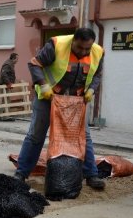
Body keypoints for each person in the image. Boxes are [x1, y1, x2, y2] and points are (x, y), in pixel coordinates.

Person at [13, 27, 106, 190]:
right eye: (80, 47)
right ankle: (21, 173)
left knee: (83, 137)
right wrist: (43, 85)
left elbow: (98, 74)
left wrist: (92, 89)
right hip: (49, 98)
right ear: (73, 41)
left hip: (75, 102)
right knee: (36, 135)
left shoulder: (98, 52)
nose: (83, 51)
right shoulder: (57, 45)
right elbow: (34, 64)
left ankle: (92, 175)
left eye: (87, 48)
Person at [0, 52, 19, 121]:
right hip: (4, 85)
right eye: (17, 59)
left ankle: (2, 115)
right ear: (13, 58)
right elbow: (4, 74)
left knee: (6, 100)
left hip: (5, 84)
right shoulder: (8, 64)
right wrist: (8, 83)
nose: (18, 60)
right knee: (6, 100)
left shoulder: (10, 64)